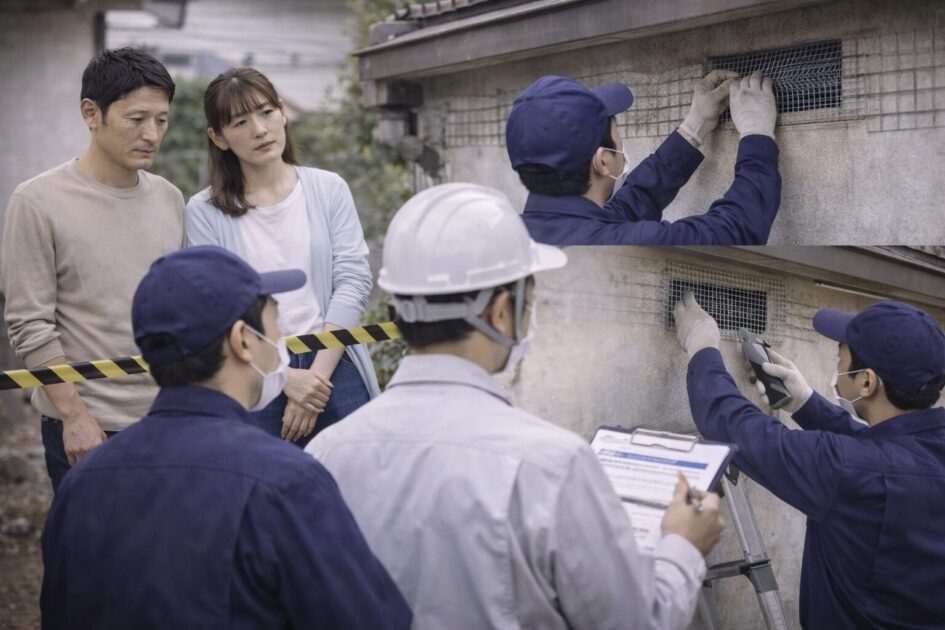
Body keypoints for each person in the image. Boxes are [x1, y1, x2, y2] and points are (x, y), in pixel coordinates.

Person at [306, 183, 726, 629]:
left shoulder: (324, 456)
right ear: (502, 312)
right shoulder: (550, 465)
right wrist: (682, 546)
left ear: (399, 311)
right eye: (530, 297)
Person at [40, 246, 412, 629]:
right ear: (243, 340)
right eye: (274, 320)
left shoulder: (82, 484)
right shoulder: (284, 482)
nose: (282, 336)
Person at [673, 294, 945, 629]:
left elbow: (737, 427)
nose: (836, 369)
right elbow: (882, 451)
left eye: (840, 360)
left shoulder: (846, 471)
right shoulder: (912, 453)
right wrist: (805, 403)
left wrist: (703, 349)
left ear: (866, 381)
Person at [0, 48, 184, 492]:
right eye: (136, 118)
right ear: (91, 113)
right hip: (91, 424)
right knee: (93, 557)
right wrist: (74, 417)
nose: (151, 134)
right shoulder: (37, 200)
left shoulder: (169, 197)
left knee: (165, 556)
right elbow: (29, 322)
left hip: (168, 417)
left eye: (161, 120)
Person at [186, 67, 377, 448]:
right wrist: (286, 379)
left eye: (266, 112)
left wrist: (315, 380)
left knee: (355, 496)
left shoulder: (328, 188)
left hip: (334, 364)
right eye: (240, 121)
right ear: (218, 138)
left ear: (283, 111)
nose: (259, 129)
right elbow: (217, 306)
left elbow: (353, 280)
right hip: (255, 377)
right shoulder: (203, 211)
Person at [506, 71, 781, 245]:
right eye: (616, 130)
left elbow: (631, 205)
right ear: (603, 161)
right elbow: (738, 228)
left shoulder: (509, 237)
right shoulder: (619, 242)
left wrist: (693, 128)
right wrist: (757, 135)